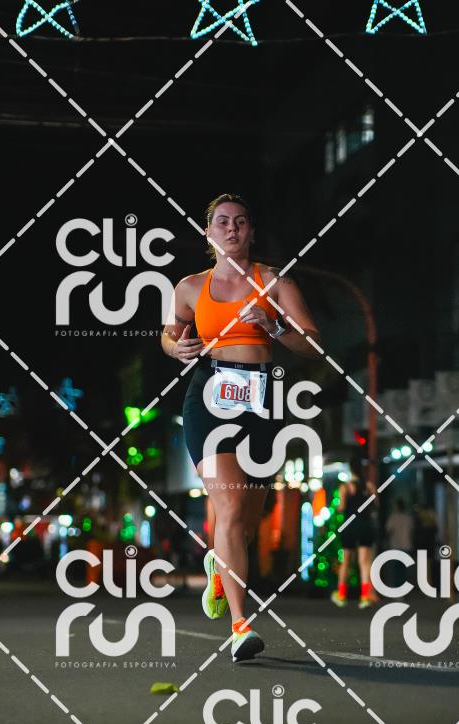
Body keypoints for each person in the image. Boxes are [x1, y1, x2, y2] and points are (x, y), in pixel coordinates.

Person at [161, 193, 320, 662]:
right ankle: (240, 625)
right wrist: (175, 348)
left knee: (247, 524)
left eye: (241, 221)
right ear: (208, 234)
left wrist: (273, 327)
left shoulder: (274, 282)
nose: (232, 228)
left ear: (251, 232)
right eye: (223, 222)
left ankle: (220, 564)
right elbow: (169, 333)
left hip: (263, 399)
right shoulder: (190, 287)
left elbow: (313, 343)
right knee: (228, 506)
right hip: (209, 396)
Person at [331, 474, 378, 609]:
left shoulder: (345, 487)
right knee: (364, 563)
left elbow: (341, 507)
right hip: (365, 526)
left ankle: (341, 595)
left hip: (350, 526)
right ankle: (365, 597)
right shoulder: (369, 486)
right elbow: (376, 505)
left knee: (346, 562)